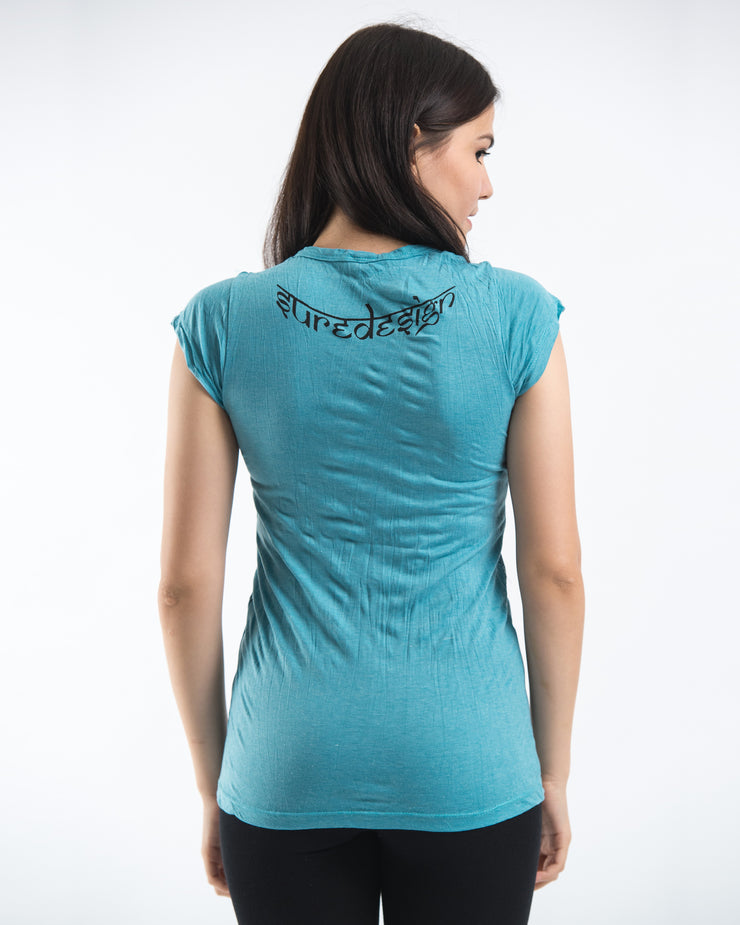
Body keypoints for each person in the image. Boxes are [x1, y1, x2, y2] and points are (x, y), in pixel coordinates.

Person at [158, 21, 584, 925]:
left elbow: (183, 588)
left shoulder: (223, 322)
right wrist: (550, 772)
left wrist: (215, 782)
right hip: (471, 760)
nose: (488, 183)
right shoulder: (515, 317)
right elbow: (554, 572)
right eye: (479, 150)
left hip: (284, 762)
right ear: (412, 143)